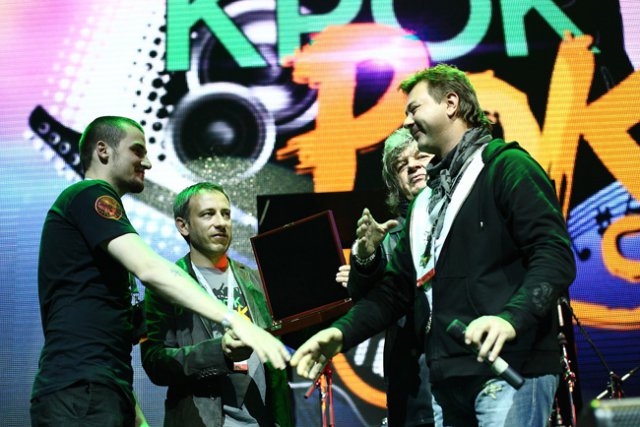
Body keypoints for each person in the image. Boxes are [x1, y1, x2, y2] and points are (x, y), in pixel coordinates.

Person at [292, 64, 576, 427]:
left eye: (415, 109)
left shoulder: (507, 167)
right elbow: (394, 292)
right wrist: (340, 333)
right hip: (447, 385)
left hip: (509, 370)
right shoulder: (424, 204)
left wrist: (510, 320)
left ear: (451, 104)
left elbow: (554, 255)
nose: (407, 121)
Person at [30, 116, 289, 427]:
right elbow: (151, 269)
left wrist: (136, 416)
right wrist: (234, 320)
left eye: (226, 214)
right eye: (137, 151)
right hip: (80, 395)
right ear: (103, 151)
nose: (147, 163)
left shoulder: (98, 235)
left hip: (102, 392)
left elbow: (104, 340)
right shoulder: (90, 194)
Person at [141, 182, 293, 426]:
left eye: (226, 214)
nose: (221, 222)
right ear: (183, 226)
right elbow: (155, 363)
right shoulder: (168, 284)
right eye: (208, 214)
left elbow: (293, 334)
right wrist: (219, 352)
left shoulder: (255, 279)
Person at [336, 128, 434, 427]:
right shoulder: (391, 238)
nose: (412, 166)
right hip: (416, 389)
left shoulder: (467, 216)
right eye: (401, 165)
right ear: (395, 183)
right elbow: (364, 293)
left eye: (420, 157)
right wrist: (365, 255)